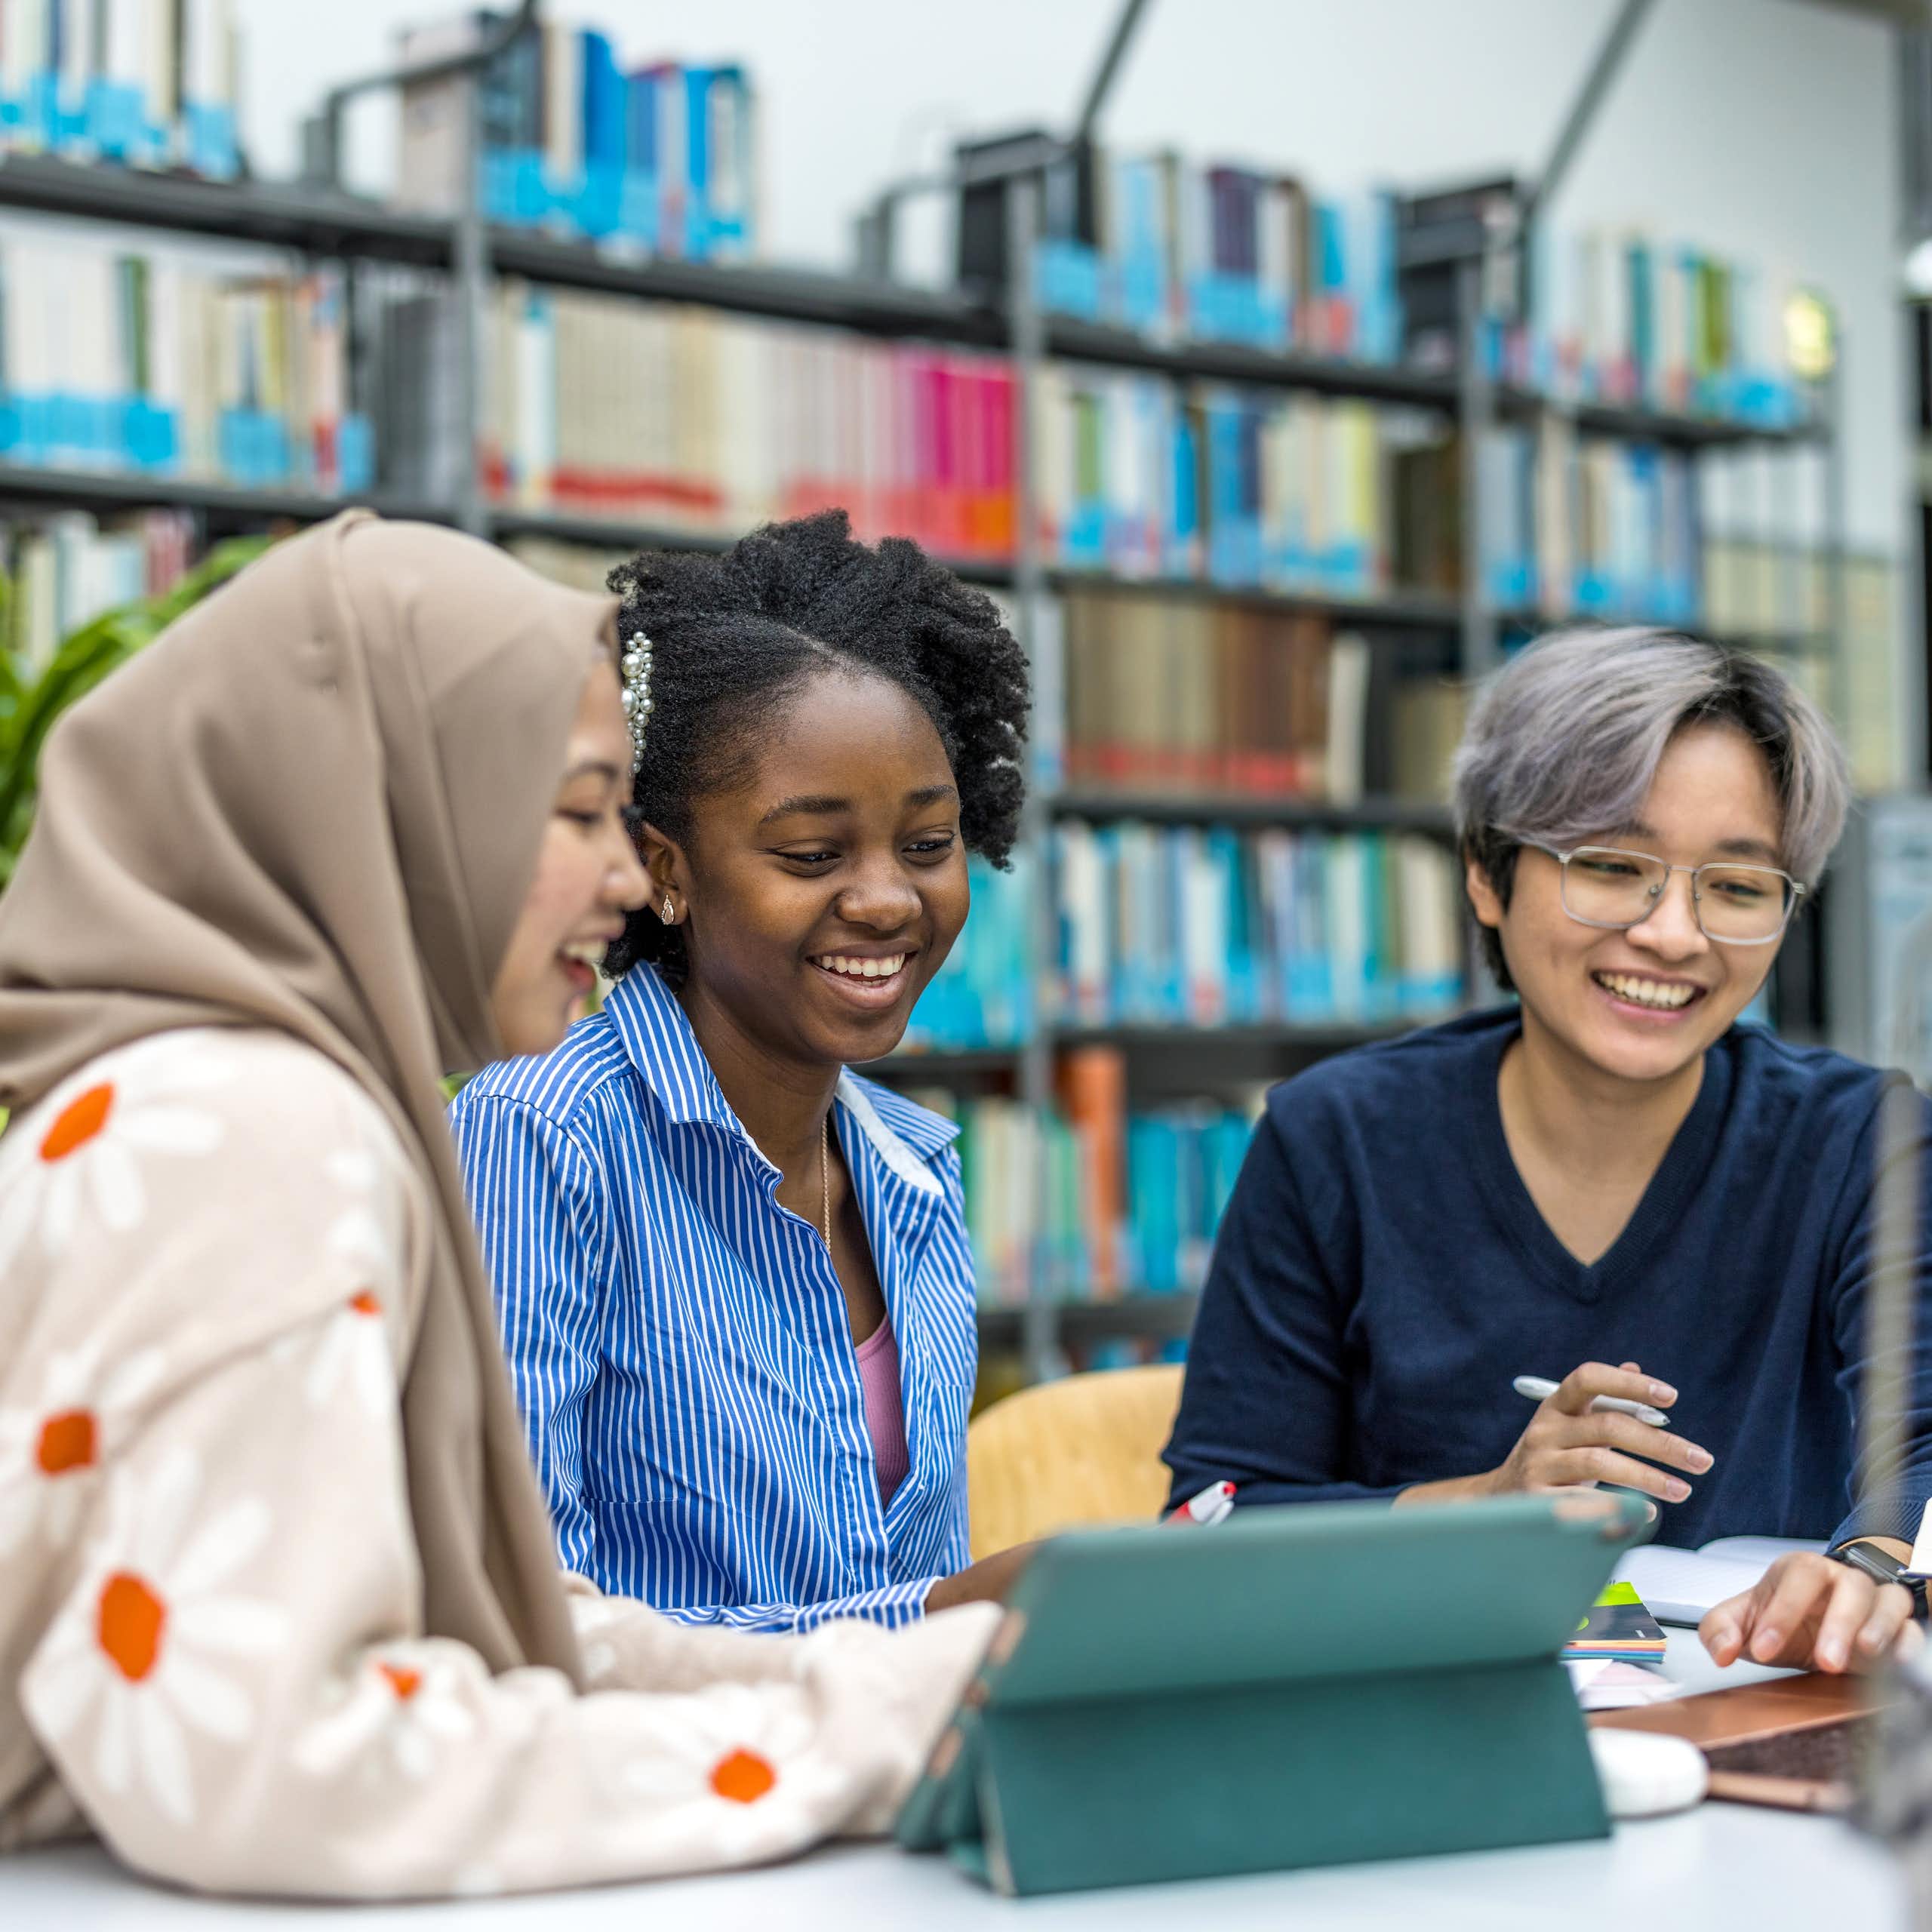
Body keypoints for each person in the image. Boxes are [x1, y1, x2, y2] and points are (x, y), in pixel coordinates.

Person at [0, 512, 998, 1900]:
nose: (616, 877)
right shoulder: (248, 1127)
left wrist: (902, 1674)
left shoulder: (256, 1106)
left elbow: (500, 1623)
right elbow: (288, 1772)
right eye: (577, 809)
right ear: (390, 806)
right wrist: (867, 1719)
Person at [1163, 626, 1932, 1678]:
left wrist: (1879, 1569)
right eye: (1613, 867)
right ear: (1487, 874)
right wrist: (1488, 1504)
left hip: (1756, 1727)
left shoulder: (1864, 1140)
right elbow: (1215, 1518)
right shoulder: (1334, 1136)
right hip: (1426, 1731)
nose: (1674, 934)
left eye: (1739, 888)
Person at [451, 510, 1035, 1632]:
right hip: (653, 1797)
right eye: (811, 856)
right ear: (665, 870)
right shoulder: (539, 1142)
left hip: (881, 1794)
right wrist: (936, 1617)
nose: (886, 899)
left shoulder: (914, 1168)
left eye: (927, 844)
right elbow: (520, 1625)